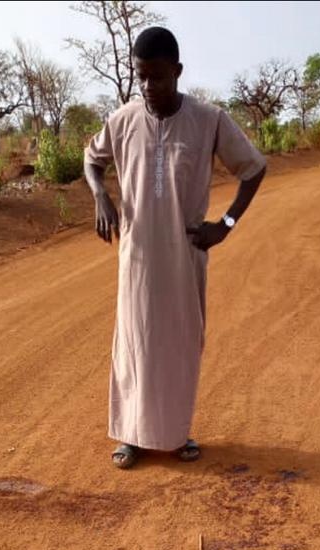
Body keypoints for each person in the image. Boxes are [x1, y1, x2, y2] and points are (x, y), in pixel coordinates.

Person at [84, 26, 267, 469]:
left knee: (180, 342)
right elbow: (92, 159)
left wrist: (224, 224)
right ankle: (130, 435)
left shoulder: (210, 120)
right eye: (141, 76)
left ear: (178, 72)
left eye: (158, 77)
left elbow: (253, 169)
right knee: (135, 342)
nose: (148, 87)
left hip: (185, 256)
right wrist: (101, 195)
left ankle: (176, 432)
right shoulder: (122, 119)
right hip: (139, 258)